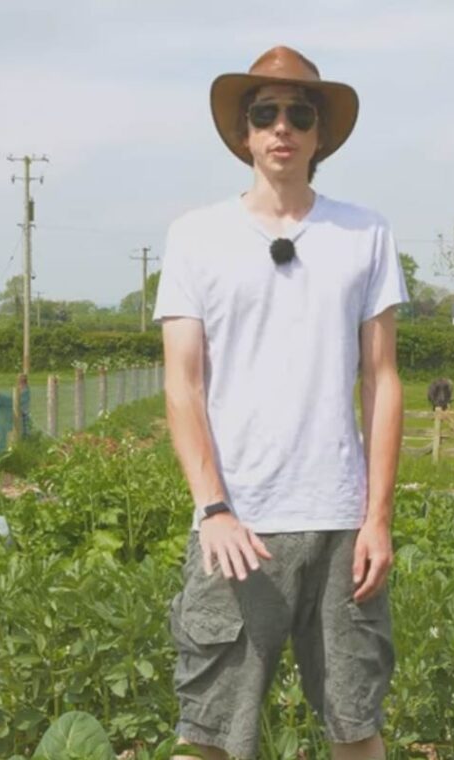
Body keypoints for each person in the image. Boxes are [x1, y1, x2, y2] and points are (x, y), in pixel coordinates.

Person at [153, 45, 407, 760]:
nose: (282, 128)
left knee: (356, 727)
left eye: (300, 113)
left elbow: (383, 380)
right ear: (244, 133)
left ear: (321, 133)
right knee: (207, 735)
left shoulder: (365, 233)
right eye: (265, 113)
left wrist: (378, 519)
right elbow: (183, 385)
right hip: (238, 527)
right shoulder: (196, 237)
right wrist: (213, 509)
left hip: (340, 526)